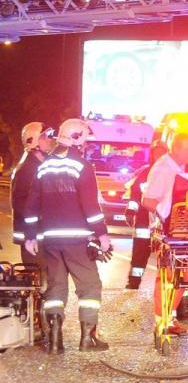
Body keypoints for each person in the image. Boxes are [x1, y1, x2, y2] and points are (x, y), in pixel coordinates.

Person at [22, 118, 112, 353]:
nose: (86, 145)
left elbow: (30, 206)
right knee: (90, 286)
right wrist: (102, 235)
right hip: (77, 239)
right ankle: (87, 339)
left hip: (50, 240)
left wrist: (30, 236)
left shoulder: (44, 166)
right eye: (84, 140)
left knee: (56, 288)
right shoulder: (82, 166)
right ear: (77, 139)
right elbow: (90, 207)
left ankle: (54, 341)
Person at [141, 134, 188, 331]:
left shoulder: (174, 167)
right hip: (170, 231)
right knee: (170, 277)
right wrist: (168, 219)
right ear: (175, 149)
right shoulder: (164, 168)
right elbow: (148, 201)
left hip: (179, 230)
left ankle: (168, 317)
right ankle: (163, 320)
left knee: (180, 276)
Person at [123, 141, 168, 289]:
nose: (159, 155)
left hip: (164, 220)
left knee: (167, 255)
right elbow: (135, 194)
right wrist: (130, 211)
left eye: (162, 152)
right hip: (143, 219)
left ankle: (167, 286)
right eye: (156, 152)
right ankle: (134, 281)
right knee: (140, 252)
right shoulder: (145, 172)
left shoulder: (173, 173)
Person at [11, 121, 55, 265]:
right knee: (40, 281)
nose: (51, 139)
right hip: (33, 237)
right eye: (46, 136)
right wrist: (31, 235)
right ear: (33, 141)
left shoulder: (43, 165)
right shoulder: (27, 170)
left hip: (42, 236)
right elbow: (21, 205)